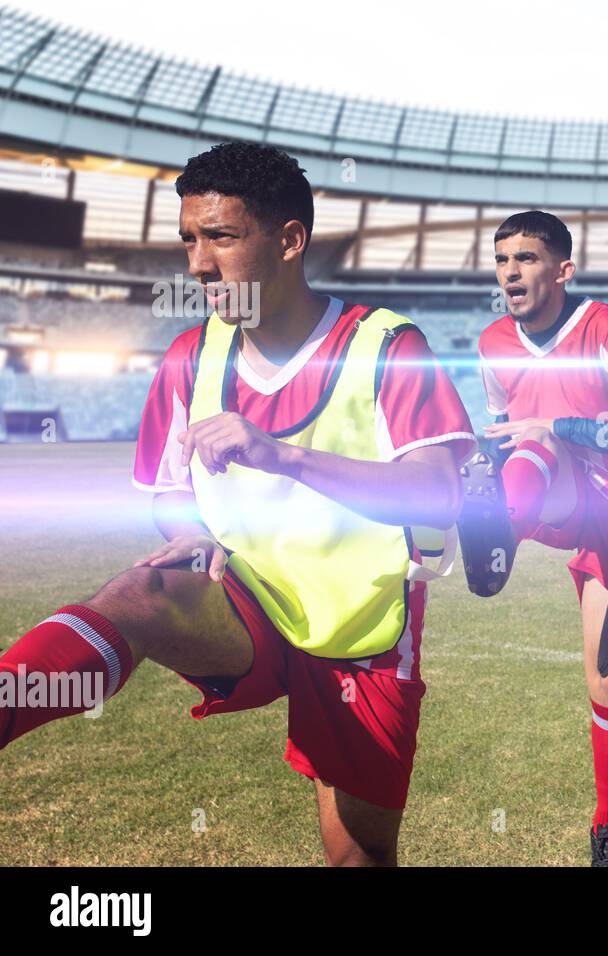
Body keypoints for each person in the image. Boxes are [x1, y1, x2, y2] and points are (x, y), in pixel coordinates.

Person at [0, 142, 476, 866]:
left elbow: (437, 491)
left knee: (358, 853)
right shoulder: (190, 356)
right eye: (189, 240)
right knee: (141, 590)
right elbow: (166, 494)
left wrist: (281, 455)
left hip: (360, 628)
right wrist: (191, 529)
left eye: (220, 237)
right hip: (243, 597)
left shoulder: (386, 346)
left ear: (289, 240)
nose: (197, 263)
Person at [477, 211, 608, 866]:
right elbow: (502, 430)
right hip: (548, 489)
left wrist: (565, 427)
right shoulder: (491, 345)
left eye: (528, 258)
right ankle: (490, 533)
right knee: (523, 450)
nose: (512, 270)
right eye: (503, 259)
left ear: (563, 269)